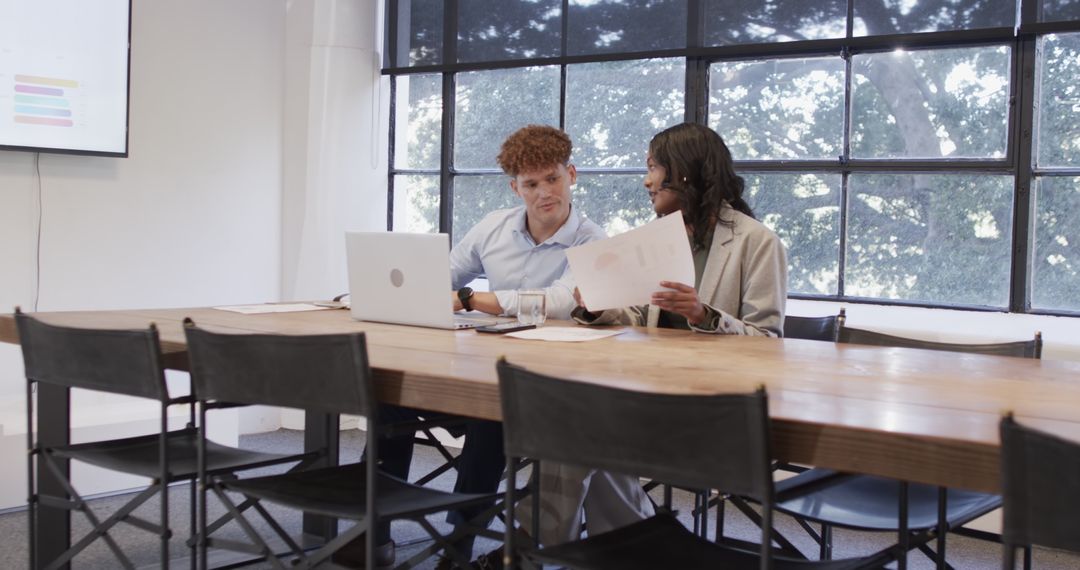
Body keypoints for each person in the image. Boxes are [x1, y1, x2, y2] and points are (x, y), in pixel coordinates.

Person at [335, 124, 607, 569]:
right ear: (514, 187)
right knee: (390, 402)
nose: (544, 193)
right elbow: (439, 275)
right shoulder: (493, 227)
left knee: (490, 416)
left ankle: (457, 544)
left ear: (571, 175)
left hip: (542, 386)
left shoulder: (592, 240)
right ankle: (374, 533)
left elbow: (560, 303)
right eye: (531, 184)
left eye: (552, 179)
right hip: (479, 365)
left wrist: (471, 299)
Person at [520, 122, 787, 556]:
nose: (646, 181)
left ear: (685, 172)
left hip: (713, 407)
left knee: (575, 435)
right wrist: (596, 306)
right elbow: (642, 315)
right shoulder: (661, 234)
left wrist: (704, 314)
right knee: (571, 431)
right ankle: (619, 553)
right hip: (647, 392)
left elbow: (770, 341)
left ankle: (540, 556)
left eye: (654, 168)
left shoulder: (757, 243)